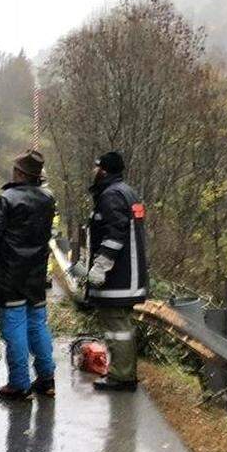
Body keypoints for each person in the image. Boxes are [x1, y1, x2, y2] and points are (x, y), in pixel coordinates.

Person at [0, 150, 57, 400]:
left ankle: (19, 385)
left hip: (10, 275)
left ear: (20, 173)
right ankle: (46, 379)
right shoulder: (48, 199)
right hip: (36, 274)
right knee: (37, 325)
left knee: (14, 329)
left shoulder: (5, 199)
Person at [70, 151, 147, 392]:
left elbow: (115, 234)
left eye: (96, 167)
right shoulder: (126, 191)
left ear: (103, 170)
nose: (93, 171)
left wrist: (100, 267)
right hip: (128, 274)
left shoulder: (111, 195)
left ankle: (122, 377)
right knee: (118, 326)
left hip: (120, 276)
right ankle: (122, 373)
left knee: (117, 328)